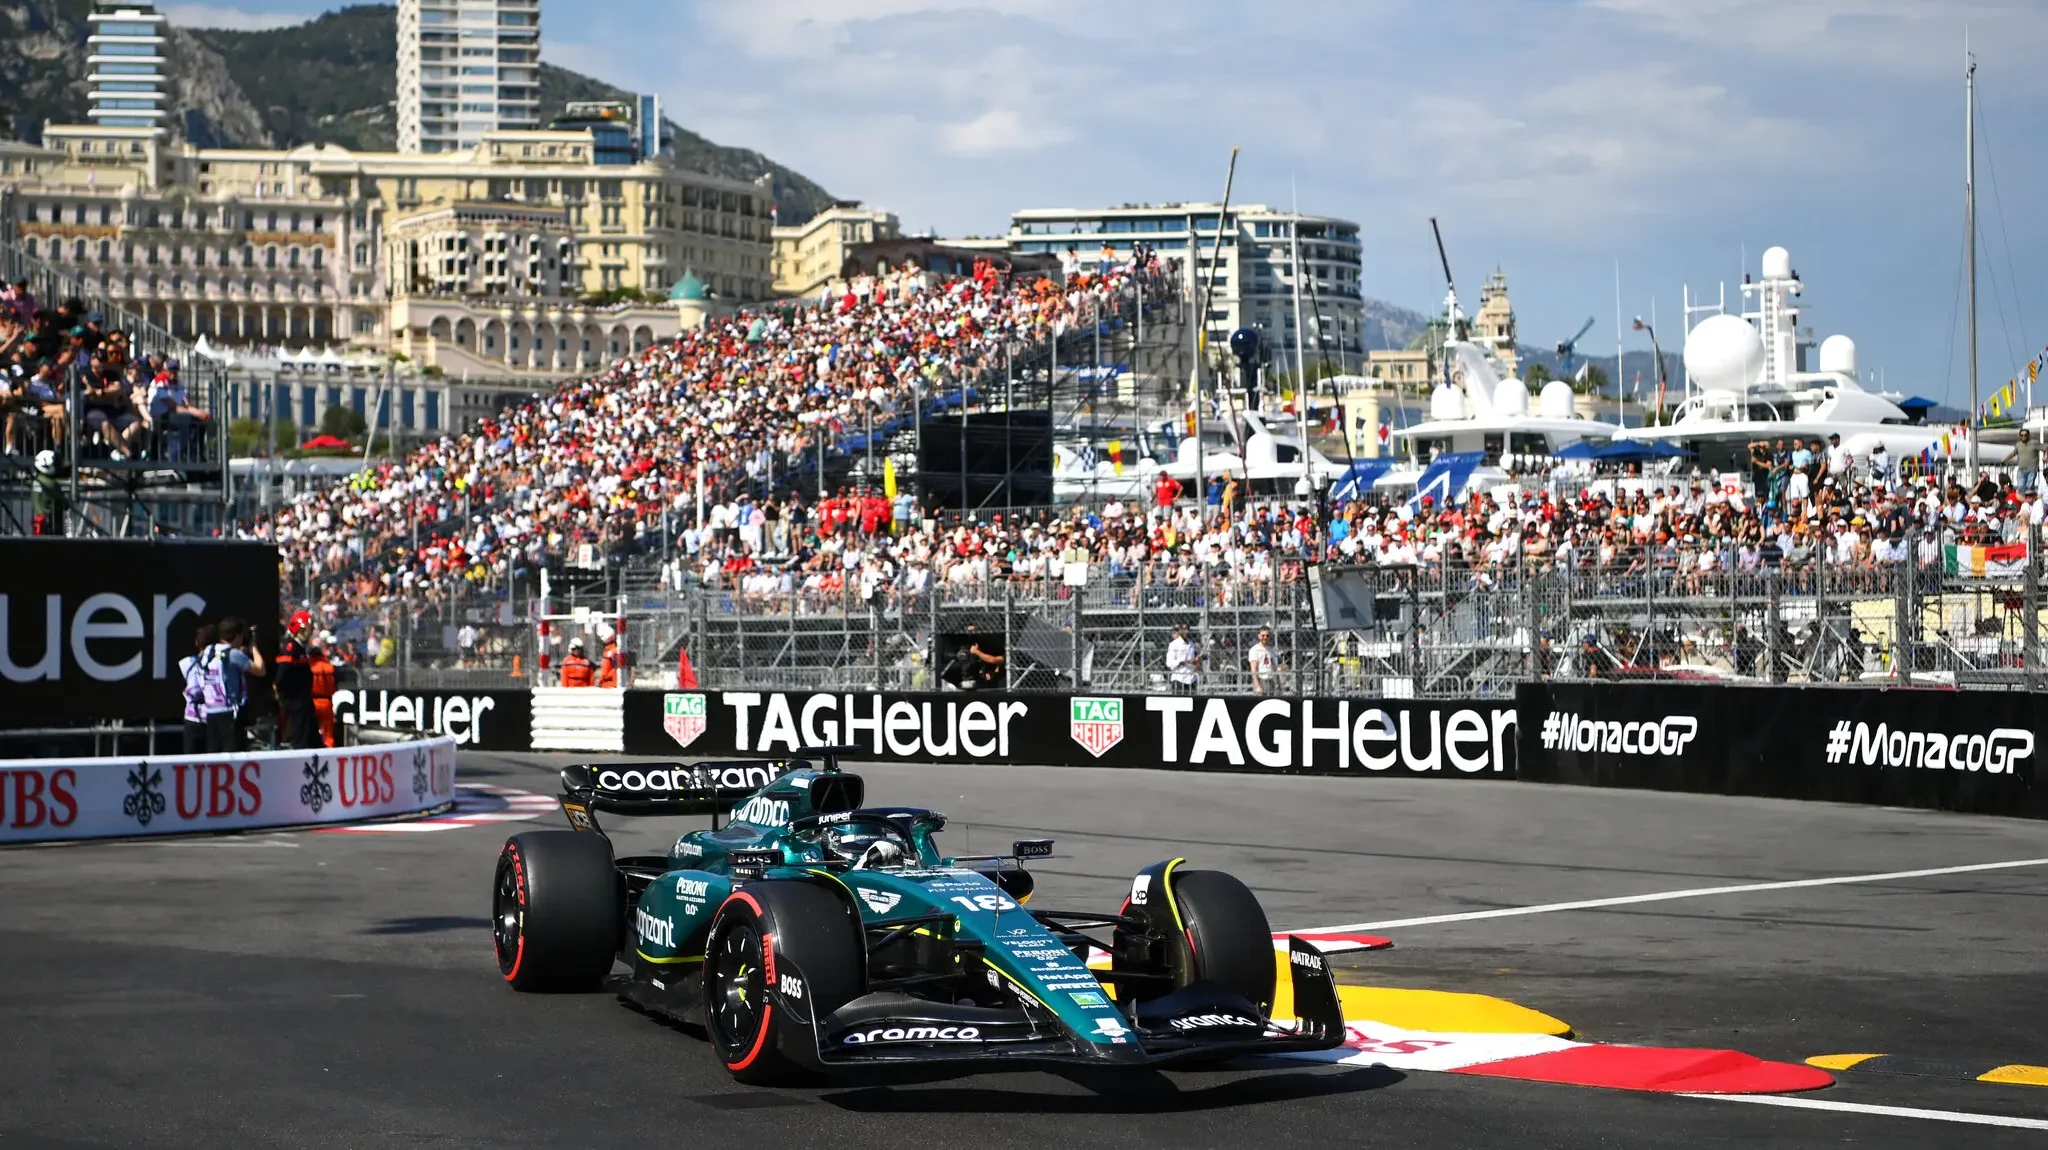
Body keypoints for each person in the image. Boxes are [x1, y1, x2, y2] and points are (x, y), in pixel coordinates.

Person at [214, 616, 268, 751]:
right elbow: (260, 670)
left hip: (212, 710)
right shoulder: (234, 654)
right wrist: (253, 647)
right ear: (237, 635)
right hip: (230, 711)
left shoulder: (212, 651)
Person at [273, 610, 318, 750]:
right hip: (296, 701)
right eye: (306, 629)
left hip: (304, 700)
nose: (309, 633)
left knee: (311, 736)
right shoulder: (291, 648)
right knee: (301, 739)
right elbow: (282, 675)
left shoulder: (301, 649)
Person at [177, 623, 221, 753]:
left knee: (192, 763)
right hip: (212, 717)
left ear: (197, 643)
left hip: (194, 719)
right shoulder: (220, 663)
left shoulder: (186, 663)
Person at [309, 640, 339, 748]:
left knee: (309, 732)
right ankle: (329, 753)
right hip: (326, 702)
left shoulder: (309, 667)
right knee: (328, 734)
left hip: (311, 702)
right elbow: (335, 684)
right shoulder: (330, 667)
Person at [1166, 623, 1202, 694]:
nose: (1187, 631)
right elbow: (1169, 663)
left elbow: (1193, 660)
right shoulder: (1174, 644)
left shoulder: (1191, 644)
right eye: (1184, 629)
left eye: (1188, 629)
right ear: (1180, 630)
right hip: (1179, 679)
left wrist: (1196, 662)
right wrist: (1186, 662)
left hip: (1191, 679)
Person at [1247, 626, 1279, 694]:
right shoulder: (1254, 650)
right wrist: (1257, 685)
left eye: (1267, 636)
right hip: (1261, 678)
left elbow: (1274, 666)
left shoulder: (1271, 649)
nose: (1265, 638)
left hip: (1270, 679)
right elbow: (1253, 668)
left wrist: (1278, 682)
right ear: (1259, 636)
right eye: (1263, 635)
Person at [597, 624, 622, 689]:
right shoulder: (614, 651)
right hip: (612, 684)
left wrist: (599, 683)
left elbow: (605, 672)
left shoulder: (610, 652)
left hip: (609, 685)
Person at [2016, 429, 2041, 494]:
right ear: (2020, 436)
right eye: (2021, 435)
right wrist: (2004, 459)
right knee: (2021, 487)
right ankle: (2023, 502)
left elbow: (2045, 448)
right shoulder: (2018, 444)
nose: (2023, 436)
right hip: (2021, 469)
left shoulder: (2034, 443)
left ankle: (2030, 502)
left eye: (2025, 435)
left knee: (2029, 487)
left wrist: (2046, 456)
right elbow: (2013, 453)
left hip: (2032, 469)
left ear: (2028, 435)